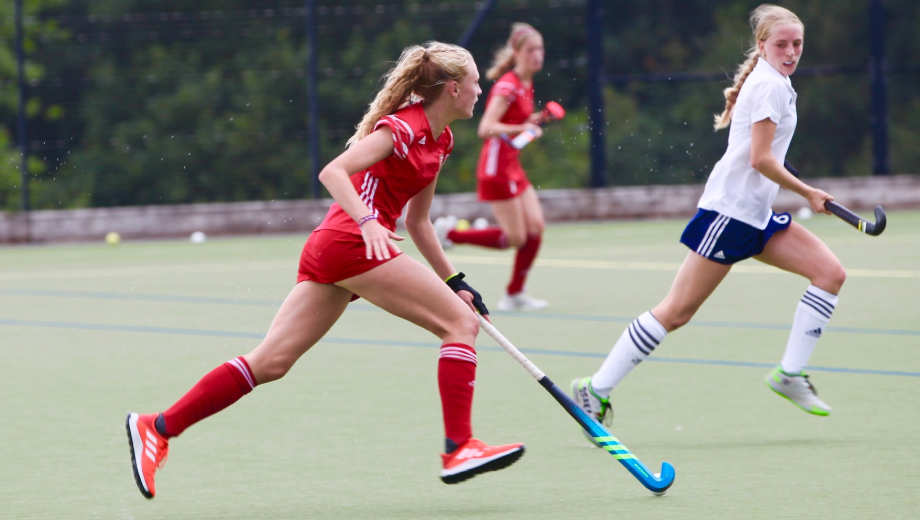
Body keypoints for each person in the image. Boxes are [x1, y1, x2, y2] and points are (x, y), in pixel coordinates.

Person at [125, 42, 525, 499]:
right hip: (353, 242)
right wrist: (369, 221)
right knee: (460, 325)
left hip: (339, 247)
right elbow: (333, 172)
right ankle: (460, 447)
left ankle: (156, 427)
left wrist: (457, 282)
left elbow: (417, 222)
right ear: (453, 88)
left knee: (271, 362)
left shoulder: (441, 140)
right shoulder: (403, 129)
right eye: (475, 80)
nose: (480, 88)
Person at [571, 4, 846, 445]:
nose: (792, 52)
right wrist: (808, 192)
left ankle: (790, 373)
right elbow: (759, 158)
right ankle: (594, 390)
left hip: (756, 215)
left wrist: (796, 186)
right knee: (676, 311)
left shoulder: (777, 82)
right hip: (730, 214)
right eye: (782, 44)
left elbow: (764, 153)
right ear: (762, 46)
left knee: (830, 273)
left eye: (797, 44)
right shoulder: (770, 86)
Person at [434, 23, 552, 312]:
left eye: (540, 49)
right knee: (515, 238)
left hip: (513, 165)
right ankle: (450, 235)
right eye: (530, 50)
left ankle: (514, 294)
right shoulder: (508, 86)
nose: (537, 55)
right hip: (496, 168)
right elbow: (486, 128)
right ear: (516, 53)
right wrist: (522, 126)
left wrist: (533, 120)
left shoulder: (526, 83)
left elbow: (512, 123)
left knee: (536, 227)